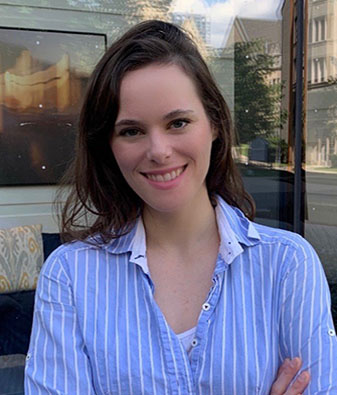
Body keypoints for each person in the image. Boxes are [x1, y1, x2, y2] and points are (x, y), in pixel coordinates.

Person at [25, 20, 337, 394]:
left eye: (178, 122)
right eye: (131, 131)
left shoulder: (288, 266)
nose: (158, 151)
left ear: (215, 124)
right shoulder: (71, 277)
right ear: (108, 145)